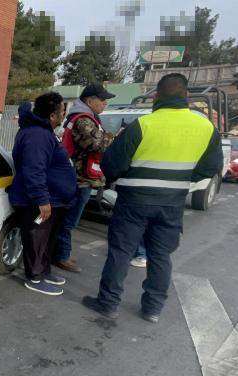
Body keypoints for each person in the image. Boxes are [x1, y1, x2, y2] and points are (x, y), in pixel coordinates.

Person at [81, 73, 223, 323]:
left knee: (121, 252)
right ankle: (153, 309)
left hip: (133, 200)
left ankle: (108, 303)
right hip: (172, 202)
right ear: (186, 96)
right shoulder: (205, 128)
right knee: (160, 256)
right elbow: (211, 167)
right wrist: (181, 181)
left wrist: (122, 179)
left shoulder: (143, 125)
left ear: (157, 96)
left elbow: (112, 163)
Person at [7, 92, 76, 295]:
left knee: (47, 239)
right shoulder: (37, 135)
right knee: (37, 238)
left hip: (53, 199)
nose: (64, 115)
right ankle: (35, 277)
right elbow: (33, 170)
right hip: (40, 201)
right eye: (62, 112)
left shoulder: (44, 132)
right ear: (53, 116)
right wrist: (42, 199)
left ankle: (44, 271)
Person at [53, 84, 116, 273]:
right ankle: (61, 255)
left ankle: (61, 252)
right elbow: (96, 145)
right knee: (69, 220)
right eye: (102, 99)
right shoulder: (83, 120)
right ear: (90, 101)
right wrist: (112, 137)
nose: (105, 103)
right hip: (80, 178)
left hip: (81, 176)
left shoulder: (86, 118)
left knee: (69, 219)